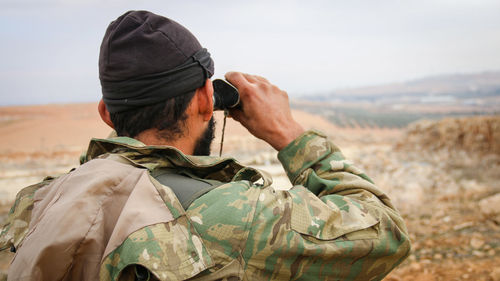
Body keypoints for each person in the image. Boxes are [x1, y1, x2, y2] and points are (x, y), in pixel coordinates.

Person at [0, 10, 410, 281]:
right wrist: (289, 132)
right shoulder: (230, 215)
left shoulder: (36, 202)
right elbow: (386, 234)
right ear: (205, 99)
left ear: (107, 114)